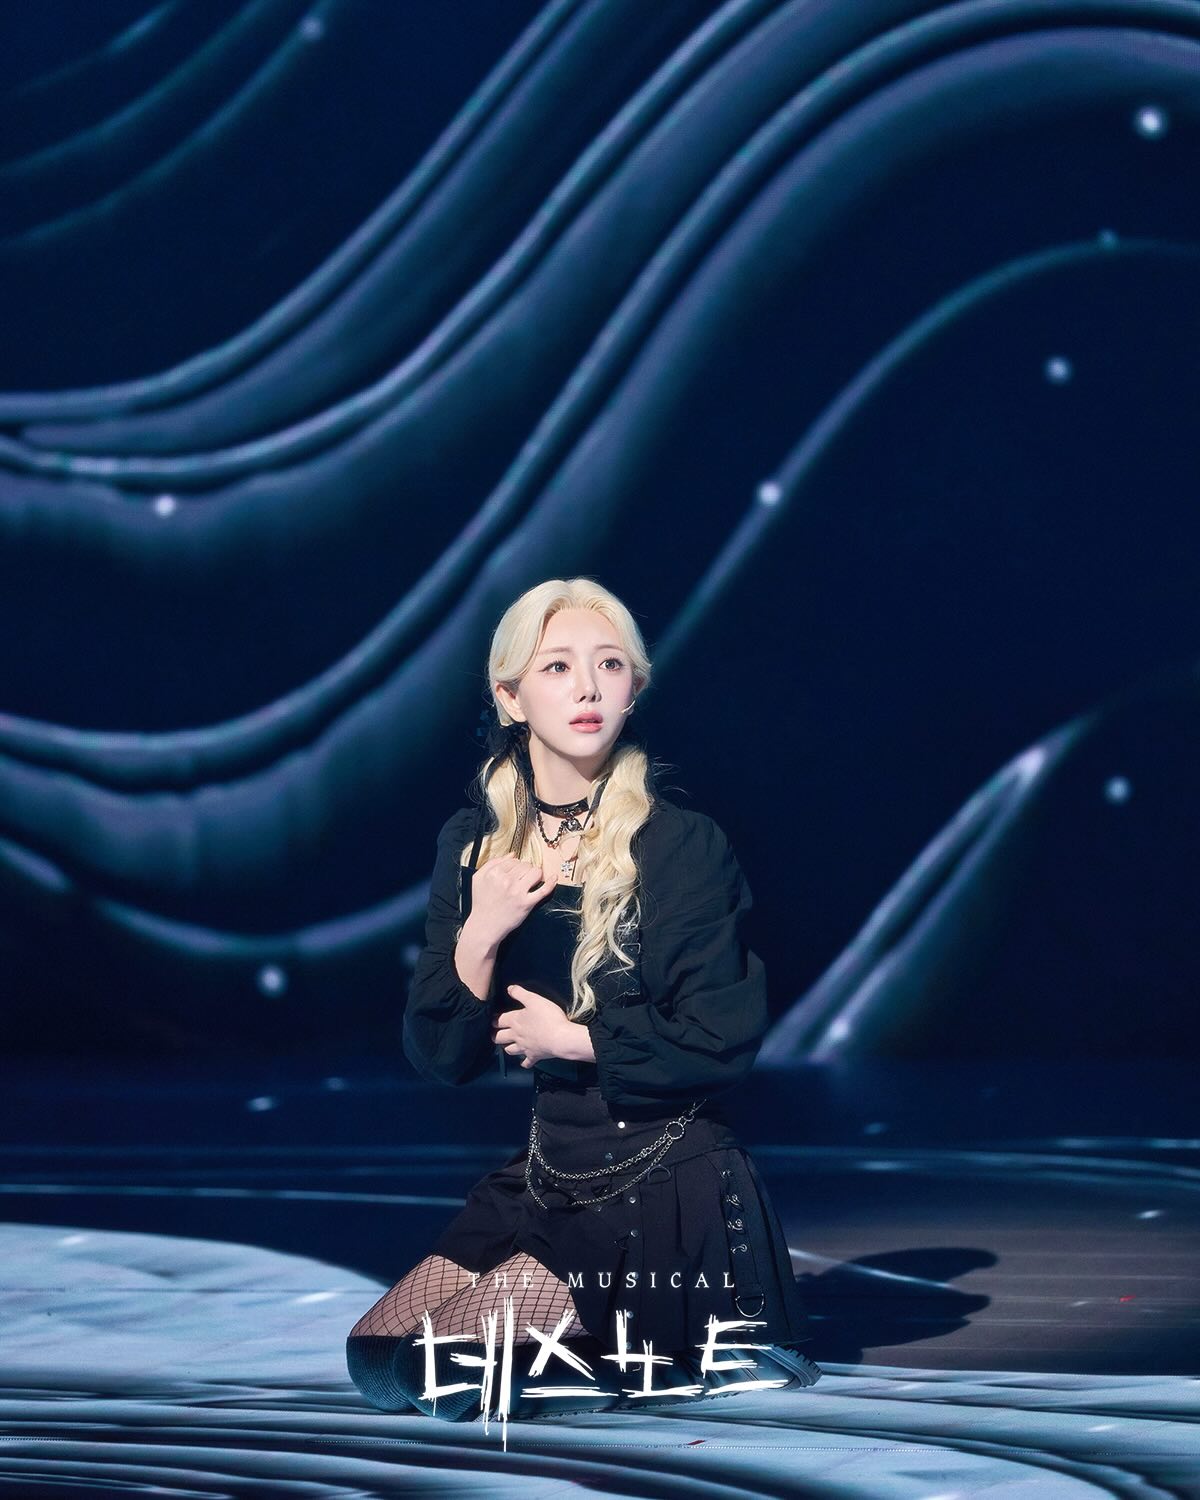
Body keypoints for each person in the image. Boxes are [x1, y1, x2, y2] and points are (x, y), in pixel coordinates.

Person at [346, 577, 821, 1421]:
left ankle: (679, 1351)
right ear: (510, 697)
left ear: (634, 688)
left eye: (610, 665)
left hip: (660, 1175)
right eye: (558, 667)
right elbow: (442, 1057)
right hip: (549, 1168)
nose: (589, 687)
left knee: (445, 1368)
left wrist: (577, 1040)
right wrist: (480, 932)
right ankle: (618, 1354)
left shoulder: (678, 843)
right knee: (379, 1361)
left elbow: (720, 1036)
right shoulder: (474, 844)